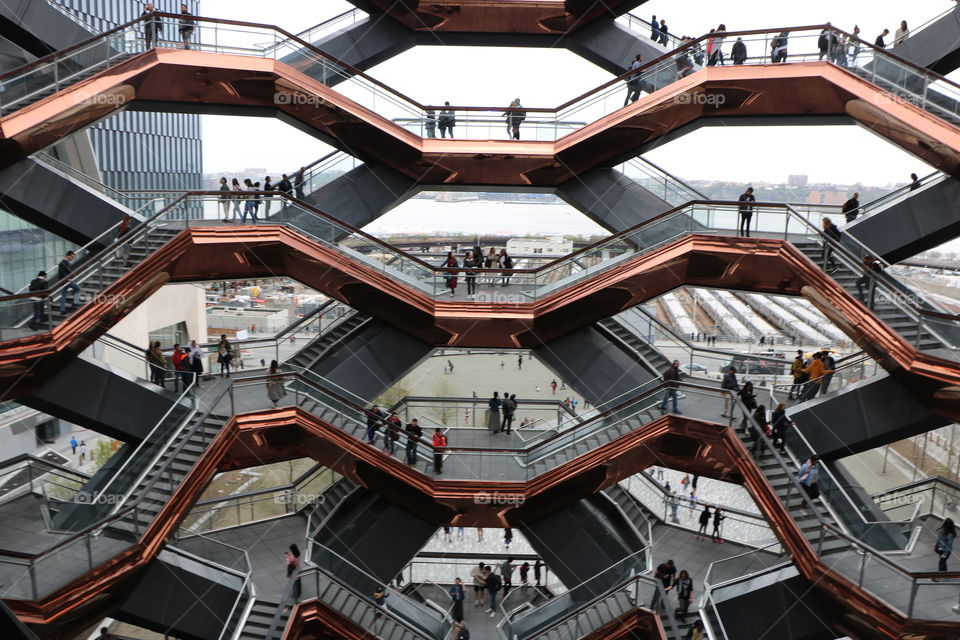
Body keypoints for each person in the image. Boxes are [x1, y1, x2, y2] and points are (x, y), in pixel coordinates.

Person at [57, 251, 80, 316]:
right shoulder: (63, 263)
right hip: (66, 281)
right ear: (68, 256)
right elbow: (62, 272)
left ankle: (63, 310)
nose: (72, 258)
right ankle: (75, 303)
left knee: (63, 295)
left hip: (65, 281)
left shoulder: (65, 262)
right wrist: (68, 278)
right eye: (72, 257)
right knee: (78, 289)